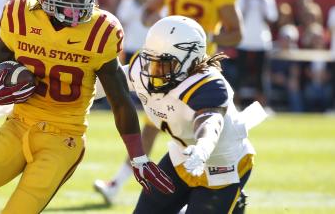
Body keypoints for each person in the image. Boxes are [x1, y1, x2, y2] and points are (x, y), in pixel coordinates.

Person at [0, 0, 174, 214]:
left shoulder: (101, 31)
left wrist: (138, 157)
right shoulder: (21, 14)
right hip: (17, 126)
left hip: (63, 139)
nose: (78, 3)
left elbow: (120, 100)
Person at [94, 0, 244, 204]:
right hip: (162, 61)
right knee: (154, 123)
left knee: (193, 123)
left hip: (196, 70)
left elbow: (236, 34)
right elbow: (149, 11)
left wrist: (209, 37)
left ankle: (214, 182)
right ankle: (122, 182)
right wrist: (164, 25)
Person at [95, 15, 267, 213]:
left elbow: (210, 122)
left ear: (190, 61)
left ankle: (232, 205)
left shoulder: (209, 84)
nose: (154, 70)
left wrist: (203, 147)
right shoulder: (145, 68)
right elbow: (105, 85)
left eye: (164, 63)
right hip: (182, 155)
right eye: (152, 60)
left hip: (223, 163)